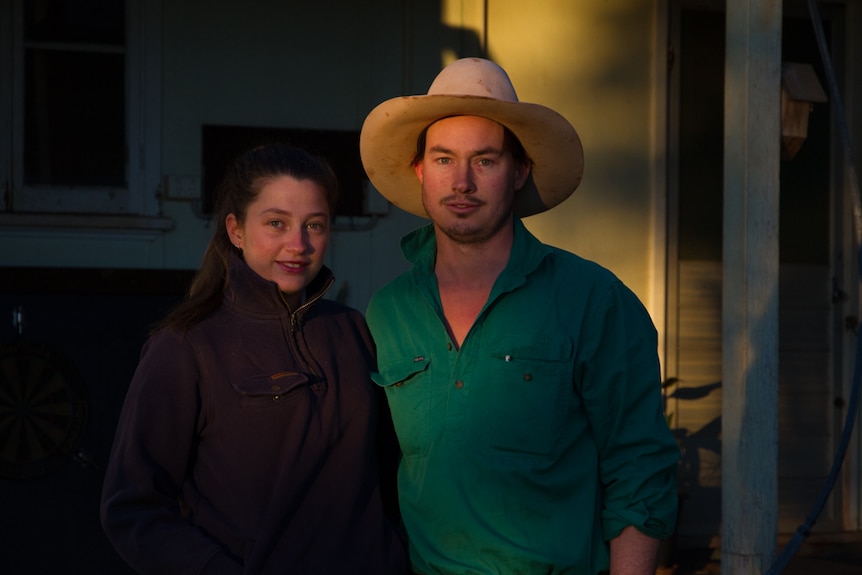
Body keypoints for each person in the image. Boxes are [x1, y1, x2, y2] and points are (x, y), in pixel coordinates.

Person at [359, 58, 680, 574]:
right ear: (420, 170)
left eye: (484, 161)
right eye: (443, 159)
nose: (461, 181)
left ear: (519, 171)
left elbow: (640, 467)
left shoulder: (594, 299)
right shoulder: (388, 310)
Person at [100, 143, 408, 575]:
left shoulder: (353, 330)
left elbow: (392, 470)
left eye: (314, 225)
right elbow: (132, 508)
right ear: (236, 229)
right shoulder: (186, 346)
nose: (298, 244)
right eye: (276, 223)